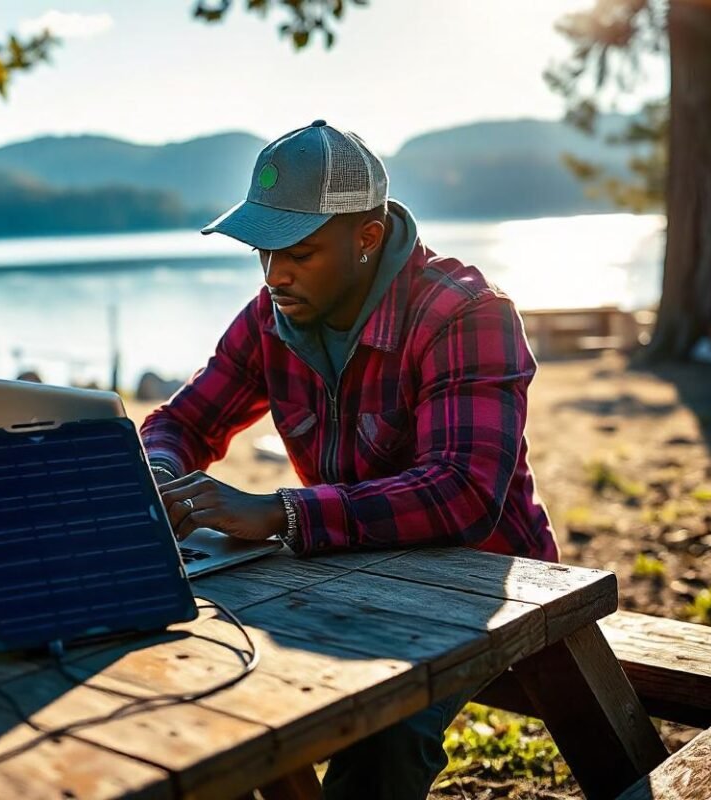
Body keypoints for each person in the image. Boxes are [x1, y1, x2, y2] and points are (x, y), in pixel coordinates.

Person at [140, 120, 558, 799]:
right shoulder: (272, 312)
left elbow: (461, 492)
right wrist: (160, 477)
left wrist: (278, 512)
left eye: (299, 252)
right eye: (263, 252)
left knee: (382, 725)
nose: (275, 274)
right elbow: (180, 421)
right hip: (351, 571)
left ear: (366, 237)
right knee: (195, 670)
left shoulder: (464, 312)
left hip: (483, 582)